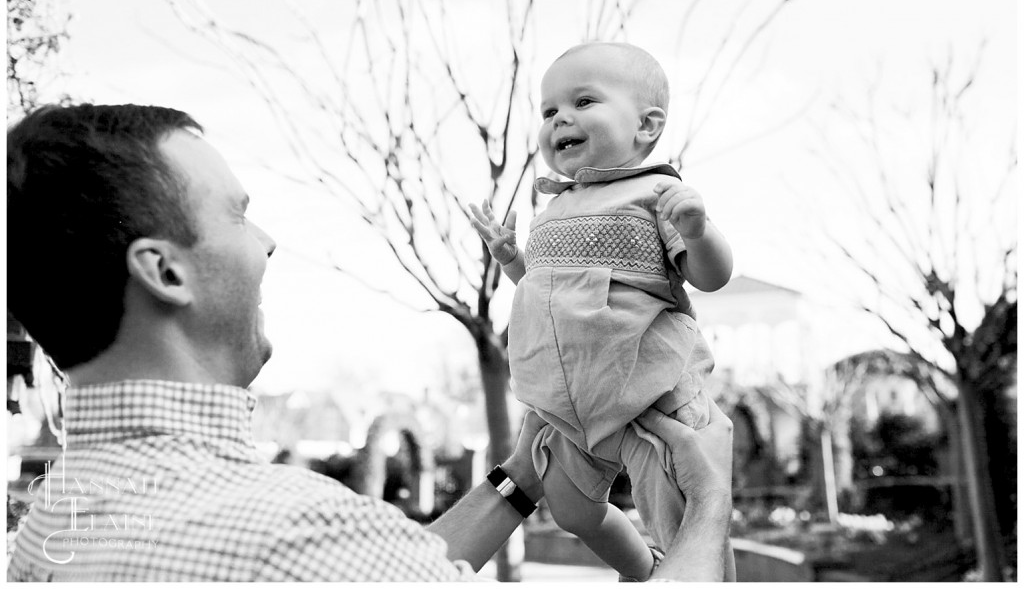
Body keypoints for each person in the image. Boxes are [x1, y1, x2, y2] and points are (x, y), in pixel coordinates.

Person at [6, 103, 734, 581]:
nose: (267, 244)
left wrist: (517, 480)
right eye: (238, 216)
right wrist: (705, 506)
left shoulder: (57, 513)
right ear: (164, 271)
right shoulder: (294, 533)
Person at [470, 42, 735, 580]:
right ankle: (641, 570)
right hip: (573, 404)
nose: (560, 118)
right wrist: (514, 260)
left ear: (646, 125)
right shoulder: (552, 209)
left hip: (652, 395)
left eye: (584, 101)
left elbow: (711, 278)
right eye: (548, 111)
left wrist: (698, 233)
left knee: (687, 522)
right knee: (571, 510)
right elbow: (548, 295)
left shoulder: (657, 193)